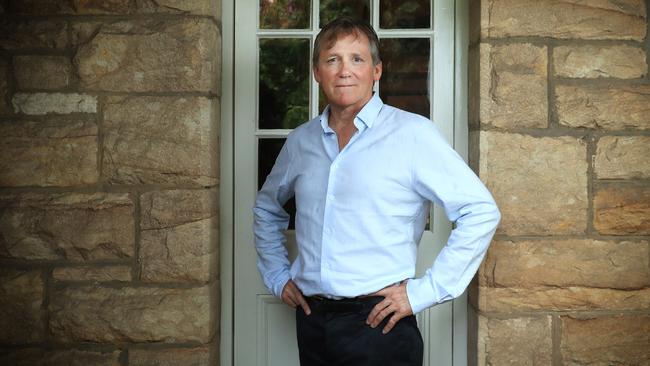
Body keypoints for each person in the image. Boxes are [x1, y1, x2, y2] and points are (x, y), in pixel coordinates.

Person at [253, 17, 500, 366]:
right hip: (312, 321)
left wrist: (423, 293)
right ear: (316, 72)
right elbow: (266, 208)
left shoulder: (412, 135)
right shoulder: (301, 142)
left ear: (377, 71)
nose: (344, 71)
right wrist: (277, 276)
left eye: (357, 59)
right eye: (332, 59)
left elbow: (481, 210)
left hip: (380, 324)